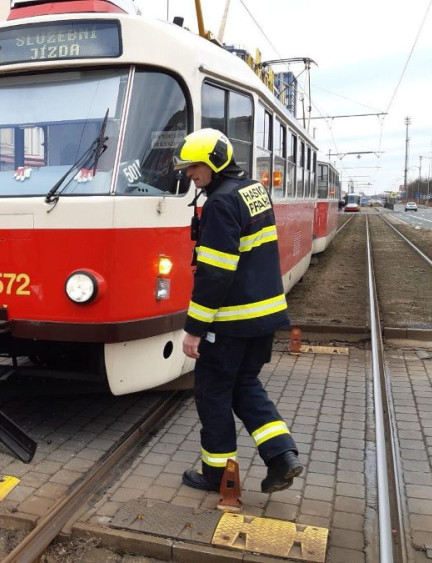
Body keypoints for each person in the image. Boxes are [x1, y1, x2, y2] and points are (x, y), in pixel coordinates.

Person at [173, 128, 303, 494]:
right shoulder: (254, 190)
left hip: (230, 322)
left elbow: (215, 274)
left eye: (194, 166)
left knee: (212, 394)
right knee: (245, 385)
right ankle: (282, 457)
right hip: (264, 318)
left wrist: (194, 329)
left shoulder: (220, 203)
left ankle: (217, 475)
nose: (189, 174)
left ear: (214, 163)